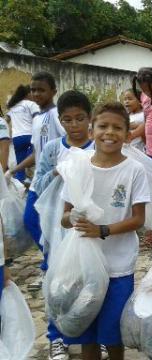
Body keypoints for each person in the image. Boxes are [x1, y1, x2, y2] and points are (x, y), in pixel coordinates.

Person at [60, 102, 150, 360]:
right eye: (102, 126)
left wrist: (103, 229)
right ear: (91, 131)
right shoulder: (79, 167)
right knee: (86, 335)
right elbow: (63, 219)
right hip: (83, 267)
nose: (109, 132)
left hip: (118, 266)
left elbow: (138, 219)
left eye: (117, 128)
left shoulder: (134, 170)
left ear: (127, 134)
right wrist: (73, 216)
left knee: (112, 336)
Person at [33, 90, 96, 360]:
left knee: (90, 284)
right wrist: (59, 169)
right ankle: (57, 338)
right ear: (60, 121)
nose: (75, 125)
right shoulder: (53, 149)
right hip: (58, 226)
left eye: (80, 119)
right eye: (68, 120)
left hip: (90, 228)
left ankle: (95, 338)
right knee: (56, 285)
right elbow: (38, 185)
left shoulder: (99, 147)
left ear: (90, 118)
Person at [7, 72, 65, 288]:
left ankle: (54, 263)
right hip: (40, 180)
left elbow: (70, 142)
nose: (36, 93)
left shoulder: (58, 114)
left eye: (41, 89)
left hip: (56, 180)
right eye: (33, 90)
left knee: (50, 223)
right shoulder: (37, 118)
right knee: (32, 220)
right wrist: (14, 170)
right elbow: (36, 152)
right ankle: (52, 260)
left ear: (53, 91)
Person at [6, 84, 39, 182]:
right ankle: (32, 180)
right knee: (35, 156)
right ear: (28, 94)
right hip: (30, 135)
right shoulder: (31, 104)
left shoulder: (13, 106)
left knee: (20, 164)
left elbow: (6, 120)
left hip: (17, 138)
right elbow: (37, 118)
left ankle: (21, 184)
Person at [122, 88, 145, 153]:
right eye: (125, 99)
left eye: (130, 99)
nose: (126, 101)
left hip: (138, 151)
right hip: (125, 149)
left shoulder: (144, 114)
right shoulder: (126, 116)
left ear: (139, 100)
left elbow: (147, 126)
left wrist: (136, 125)